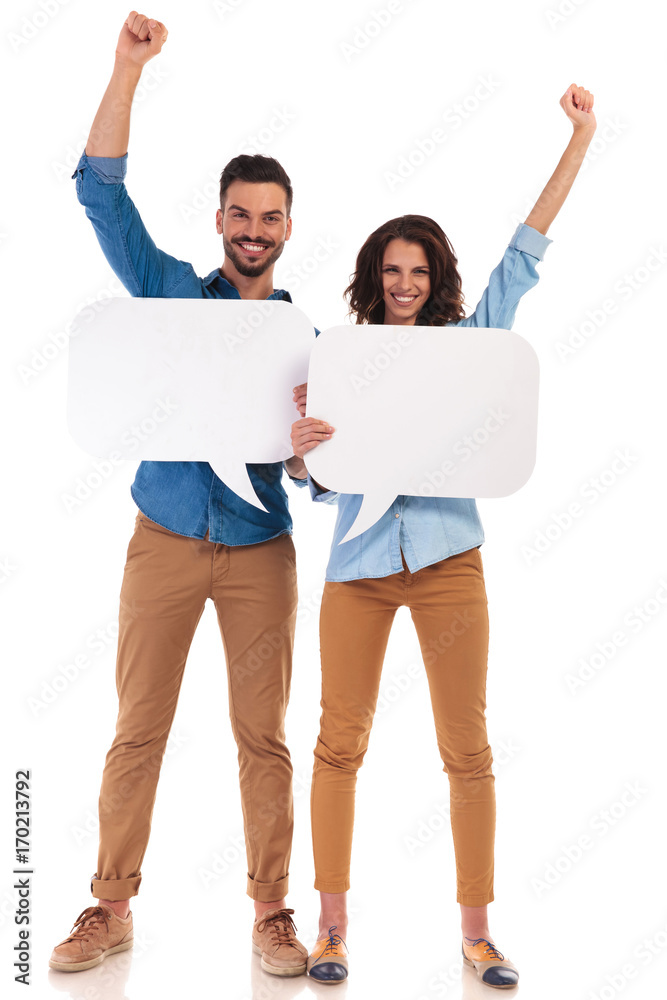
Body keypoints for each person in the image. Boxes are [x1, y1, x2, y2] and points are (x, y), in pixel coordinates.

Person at [288, 84, 596, 986]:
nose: (405, 284)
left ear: (436, 280)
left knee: (467, 750)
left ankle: (476, 933)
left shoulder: (472, 344)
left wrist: (580, 139)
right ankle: (331, 929)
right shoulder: (339, 357)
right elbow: (317, 479)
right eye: (392, 271)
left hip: (449, 564)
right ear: (372, 278)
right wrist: (302, 454)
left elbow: (523, 254)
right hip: (356, 567)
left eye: (418, 271)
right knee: (337, 746)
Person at [49, 12, 310, 976]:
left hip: (260, 551)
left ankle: (272, 912)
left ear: (288, 228)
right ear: (220, 221)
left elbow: (321, 472)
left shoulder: (305, 342)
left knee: (262, 738)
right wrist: (127, 69)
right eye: (240, 214)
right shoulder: (171, 294)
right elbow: (100, 193)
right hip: (161, 537)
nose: (253, 231)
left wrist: (310, 459)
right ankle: (110, 907)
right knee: (138, 729)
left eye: (269, 218)